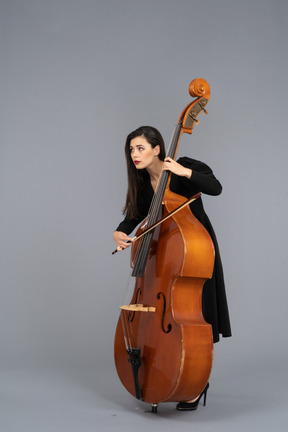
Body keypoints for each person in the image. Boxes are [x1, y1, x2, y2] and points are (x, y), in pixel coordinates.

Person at [113, 125, 231, 410]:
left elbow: (215, 188)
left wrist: (182, 172)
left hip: (192, 249)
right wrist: (119, 232)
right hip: (164, 259)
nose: (134, 155)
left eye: (140, 148)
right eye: (131, 149)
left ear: (157, 149)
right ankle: (172, 378)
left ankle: (195, 382)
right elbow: (132, 219)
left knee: (197, 313)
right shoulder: (144, 188)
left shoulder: (184, 166)